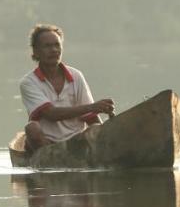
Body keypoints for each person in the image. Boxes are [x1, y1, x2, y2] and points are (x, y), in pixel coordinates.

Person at [19, 24, 114, 152]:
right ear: (36, 51)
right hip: (47, 143)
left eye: (57, 45)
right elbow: (51, 114)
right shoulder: (29, 82)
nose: (54, 50)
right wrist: (92, 107)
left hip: (78, 141)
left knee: (96, 129)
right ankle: (49, 160)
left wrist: (104, 138)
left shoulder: (76, 76)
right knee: (31, 128)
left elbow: (91, 117)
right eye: (47, 46)